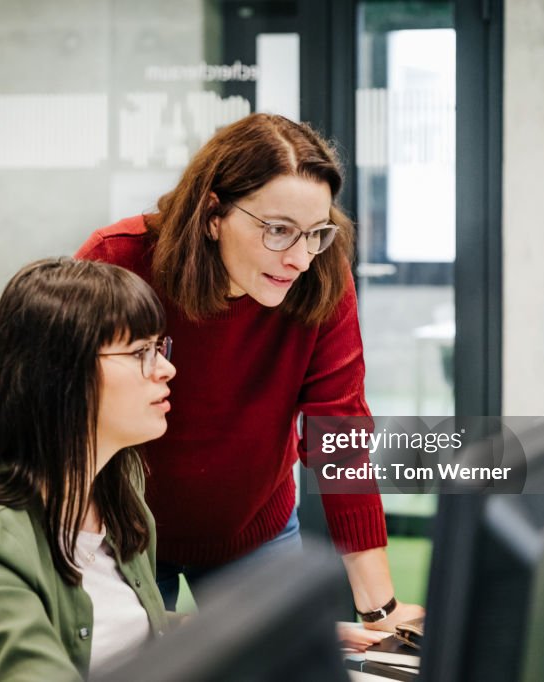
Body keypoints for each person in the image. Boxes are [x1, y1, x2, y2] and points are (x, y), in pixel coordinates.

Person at [76, 113, 424, 641]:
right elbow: (63, 414)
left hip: (255, 528)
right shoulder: (119, 261)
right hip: (125, 532)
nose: (300, 259)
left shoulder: (322, 277)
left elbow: (341, 438)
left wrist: (380, 610)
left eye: (315, 234)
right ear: (213, 213)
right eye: (278, 231)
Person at [0, 257, 177, 681]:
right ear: (61, 375)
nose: (166, 368)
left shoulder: (120, 489)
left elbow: (124, 630)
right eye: (141, 352)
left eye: (159, 348)